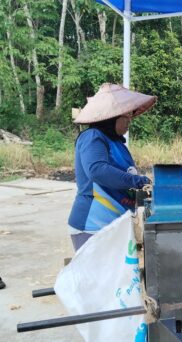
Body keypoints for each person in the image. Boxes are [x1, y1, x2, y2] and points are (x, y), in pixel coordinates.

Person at [68, 83, 157, 251]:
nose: (130, 120)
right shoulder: (92, 137)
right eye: (126, 115)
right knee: (98, 277)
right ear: (112, 116)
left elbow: (121, 179)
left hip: (115, 225)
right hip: (93, 226)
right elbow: (97, 170)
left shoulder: (117, 144)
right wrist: (136, 181)